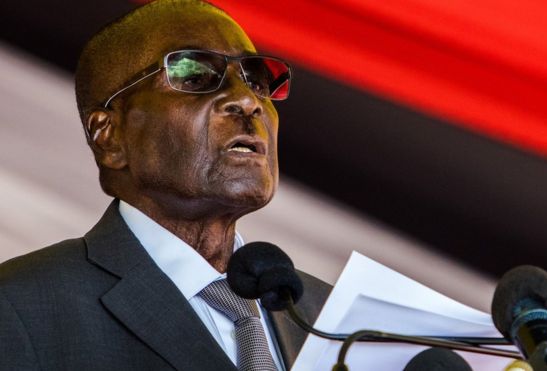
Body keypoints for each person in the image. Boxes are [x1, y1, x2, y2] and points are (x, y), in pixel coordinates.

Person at [0, 0, 330, 370]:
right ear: (109, 136)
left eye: (256, 80)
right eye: (195, 77)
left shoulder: (333, 321)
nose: (247, 100)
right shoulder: (19, 309)